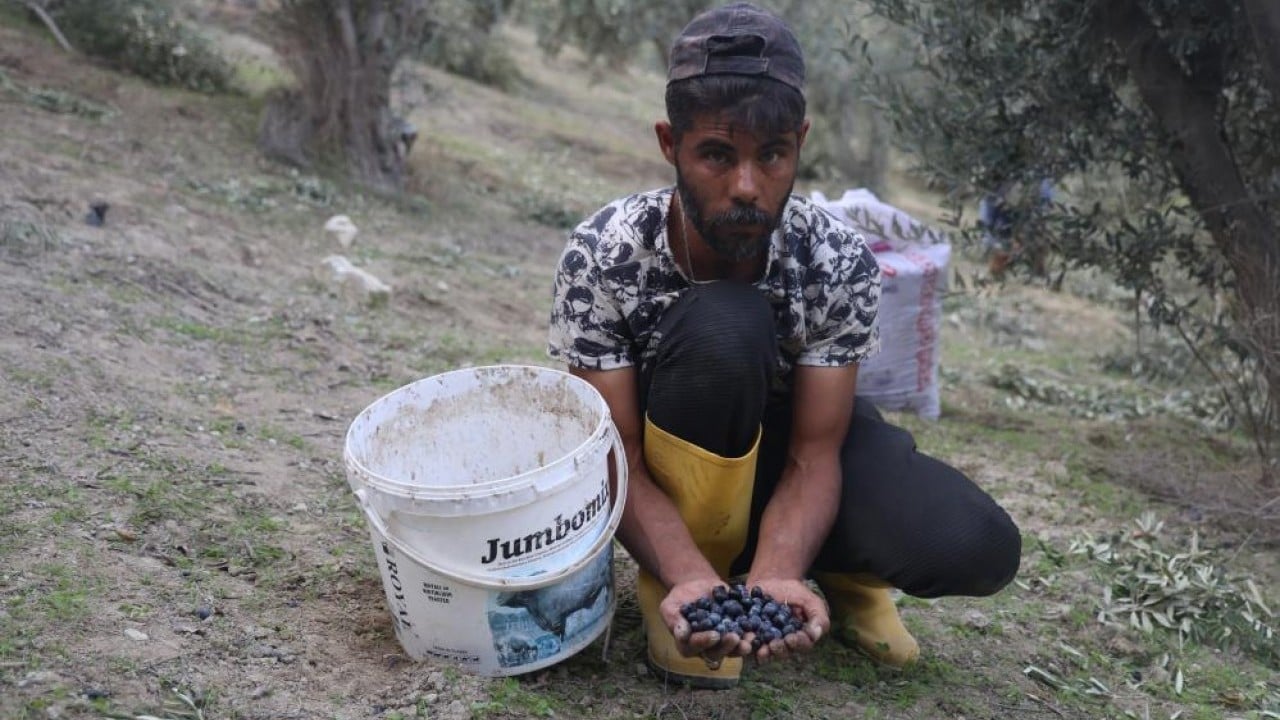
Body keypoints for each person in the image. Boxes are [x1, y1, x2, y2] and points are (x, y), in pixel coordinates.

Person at [547, 2, 1021, 689]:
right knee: (724, 324)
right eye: (716, 154)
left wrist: (774, 573)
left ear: (798, 142)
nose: (747, 186)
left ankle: (828, 570)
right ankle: (684, 583)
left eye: (771, 155)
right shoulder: (604, 254)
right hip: (674, 458)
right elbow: (614, 455)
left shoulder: (836, 259)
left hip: (786, 452)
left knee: (973, 543)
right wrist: (686, 572)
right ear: (668, 144)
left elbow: (815, 451)